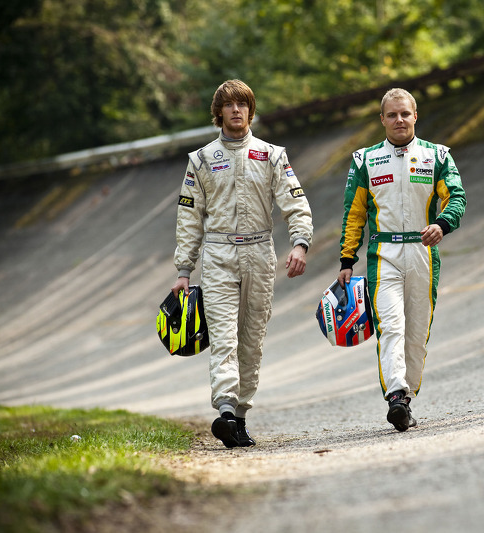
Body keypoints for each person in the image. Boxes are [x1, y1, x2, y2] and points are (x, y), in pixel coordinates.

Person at [171, 79, 313, 447]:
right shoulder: (200, 160)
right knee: (223, 338)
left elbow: (295, 203)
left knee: (251, 340)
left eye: (243, 104)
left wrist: (300, 243)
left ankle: (241, 416)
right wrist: (184, 270)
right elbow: (189, 217)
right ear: (218, 113)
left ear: (251, 110)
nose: (236, 110)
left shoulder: (272, 155)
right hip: (218, 257)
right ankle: (225, 411)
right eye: (229, 105)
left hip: (260, 254)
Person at [338, 88, 466, 431]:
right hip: (383, 255)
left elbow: (456, 196)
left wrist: (442, 223)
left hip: (424, 253)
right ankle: (395, 395)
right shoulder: (364, 160)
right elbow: (354, 214)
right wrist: (347, 260)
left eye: (405, 114)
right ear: (382, 119)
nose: (399, 120)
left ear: (415, 116)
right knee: (391, 325)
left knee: (416, 332)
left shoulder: (436, 156)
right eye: (392, 115)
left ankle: (406, 397)